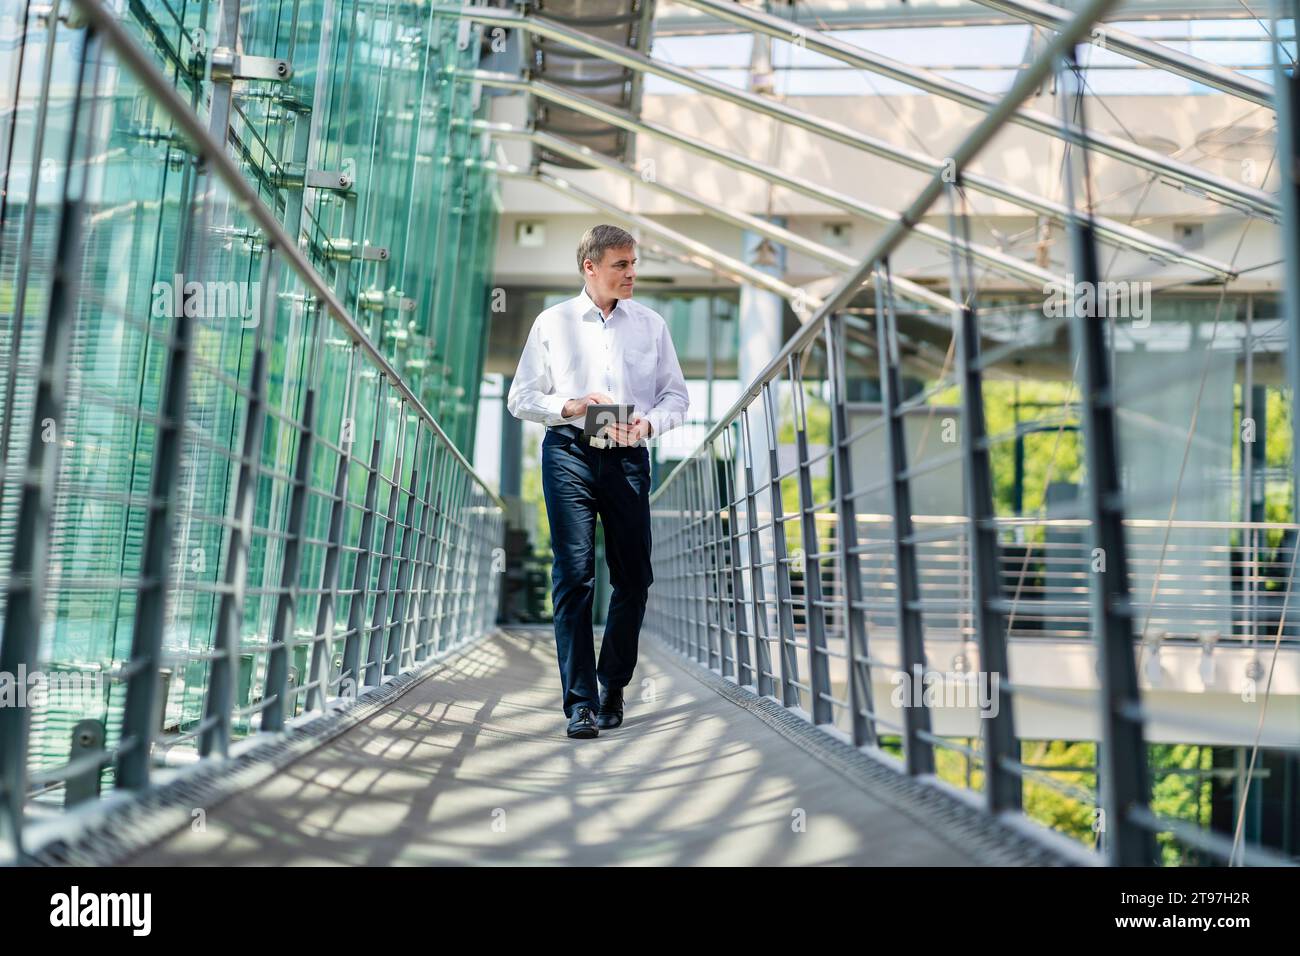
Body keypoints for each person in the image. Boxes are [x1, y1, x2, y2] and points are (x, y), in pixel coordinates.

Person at [506, 224, 690, 739]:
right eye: (621, 265)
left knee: (634, 577)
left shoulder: (650, 325)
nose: (632, 274)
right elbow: (520, 396)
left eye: (633, 264)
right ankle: (580, 703)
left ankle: (613, 685)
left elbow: (676, 397)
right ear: (591, 267)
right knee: (575, 575)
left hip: (628, 453)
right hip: (569, 451)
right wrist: (565, 405)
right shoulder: (552, 322)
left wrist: (649, 424)